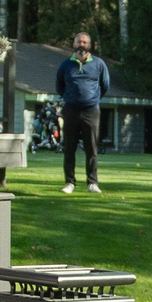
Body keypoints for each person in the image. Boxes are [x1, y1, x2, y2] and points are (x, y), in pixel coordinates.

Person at [54, 32, 109, 194]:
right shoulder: (65, 65)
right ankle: (69, 183)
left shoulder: (99, 64)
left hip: (91, 111)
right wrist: (71, 99)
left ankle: (92, 183)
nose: (81, 45)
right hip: (70, 111)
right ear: (74, 44)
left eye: (84, 42)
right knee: (69, 148)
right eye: (79, 42)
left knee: (91, 148)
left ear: (89, 45)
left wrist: (92, 99)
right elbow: (59, 87)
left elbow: (105, 85)